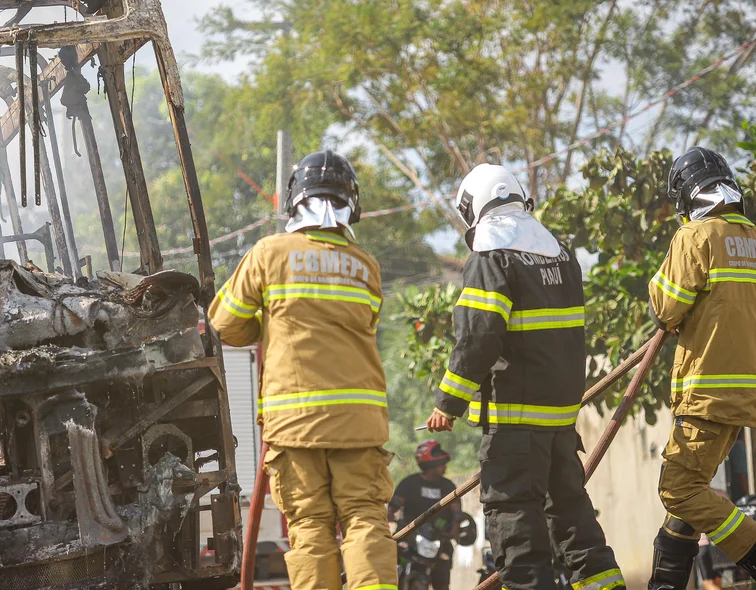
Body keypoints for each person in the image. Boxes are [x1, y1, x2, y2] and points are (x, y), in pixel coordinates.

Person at [426, 164, 625, 590]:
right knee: (573, 518)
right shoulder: (561, 254)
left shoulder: (492, 258)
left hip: (515, 427)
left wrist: (447, 403)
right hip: (558, 423)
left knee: (515, 522)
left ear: (471, 209)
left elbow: (479, 337)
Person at [210, 149, 395, 590]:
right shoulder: (365, 266)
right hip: (360, 423)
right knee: (365, 516)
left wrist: (268, 323)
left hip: (296, 424)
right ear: (351, 202)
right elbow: (363, 326)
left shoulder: (269, 254)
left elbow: (224, 325)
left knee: (310, 525)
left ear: (294, 200)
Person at [646, 146, 756, 589]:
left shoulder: (695, 236)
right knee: (692, 493)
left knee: (679, 490)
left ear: (687, 196)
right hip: (743, 393)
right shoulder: (751, 237)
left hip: (707, 392)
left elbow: (665, 307)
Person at [390, 440, 460, 590]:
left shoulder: (448, 486)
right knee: (395, 571)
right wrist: (388, 515)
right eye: (442, 464)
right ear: (432, 465)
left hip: (440, 542)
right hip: (410, 542)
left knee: (442, 583)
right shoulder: (409, 483)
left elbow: (457, 513)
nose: (445, 467)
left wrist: (454, 530)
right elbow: (394, 506)